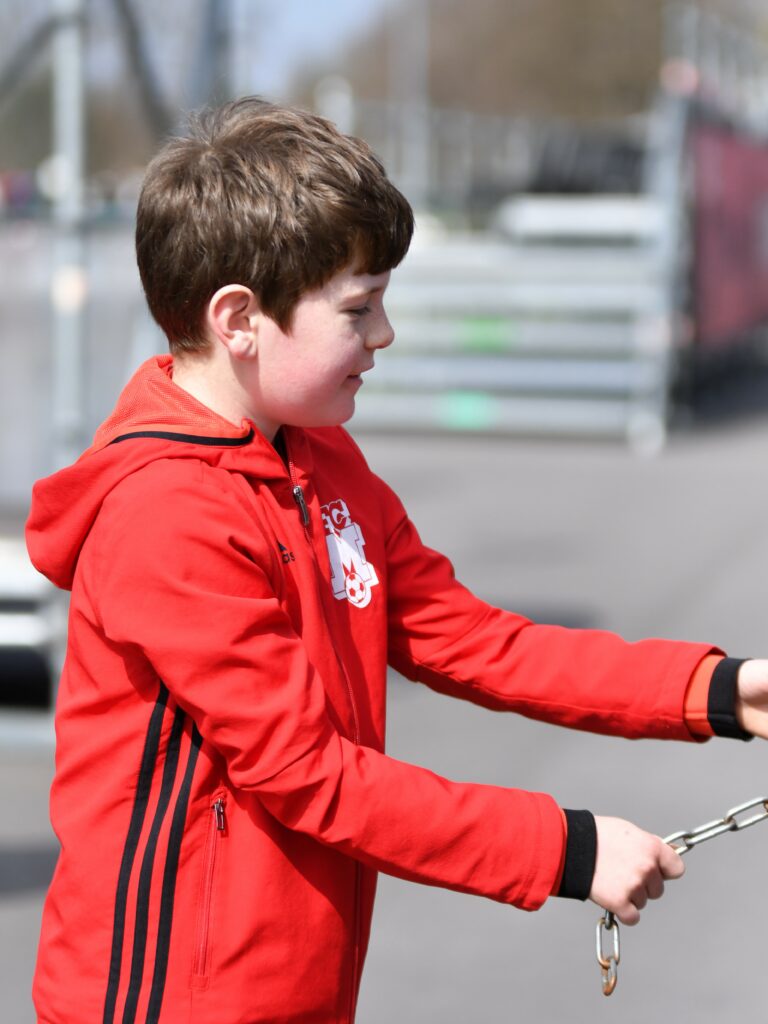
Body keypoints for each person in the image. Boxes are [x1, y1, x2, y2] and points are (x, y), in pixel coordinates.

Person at [25, 97, 768, 1024]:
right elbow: (306, 771)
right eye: (358, 308)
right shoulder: (165, 513)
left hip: (303, 986)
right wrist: (566, 850)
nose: (383, 334)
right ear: (238, 318)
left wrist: (716, 691)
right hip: (171, 1000)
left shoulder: (323, 461)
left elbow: (476, 642)